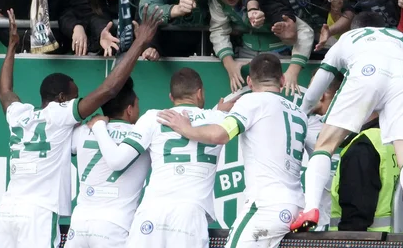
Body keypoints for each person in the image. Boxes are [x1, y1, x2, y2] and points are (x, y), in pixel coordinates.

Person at [0, 4, 162, 248]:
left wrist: (12, 46)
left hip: (6, 210)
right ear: (60, 99)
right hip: (39, 213)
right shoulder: (60, 115)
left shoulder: (19, 114)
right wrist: (139, 44)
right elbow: (109, 90)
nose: (78, 106)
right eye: (74, 97)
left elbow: (5, 92)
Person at [290, 12, 403, 235]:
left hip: (366, 73)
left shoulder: (348, 39)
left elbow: (317, 88)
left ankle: (310, 209)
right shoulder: (402, 40)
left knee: (324, 146)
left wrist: (301, 112)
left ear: (354, 28)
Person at [157, 54, 309, 247]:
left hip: (265, 207)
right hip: (294, 207)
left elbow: (220, 134)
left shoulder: (252, 101)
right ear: (282, 79)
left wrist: (186, 129)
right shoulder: (300, 113)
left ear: (249, 81)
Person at [87, 68, 233, 247]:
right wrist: (220, 111)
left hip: (152, 211)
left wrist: (99, 126)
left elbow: (117, 161)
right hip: (189, 214)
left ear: (171, 97)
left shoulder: (152, 118)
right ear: (200, 92)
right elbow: (206, 121)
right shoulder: (220, 119)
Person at [209, 0, 313, 95]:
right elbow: (218, 29)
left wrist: (293, 71)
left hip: (279, 56)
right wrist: (229, 64)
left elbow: (305, 31)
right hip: (246, 54)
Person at [66, 77, 150, 248]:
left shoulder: (83, 130)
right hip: (115, 226)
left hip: (79, 224)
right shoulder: (143, 135)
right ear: (129, 110)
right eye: (137, 105)